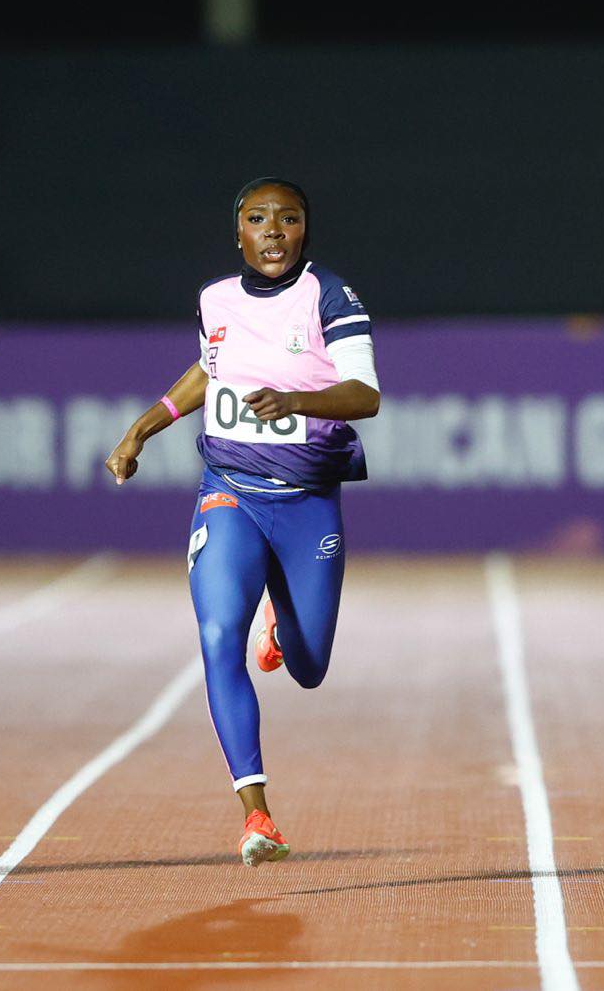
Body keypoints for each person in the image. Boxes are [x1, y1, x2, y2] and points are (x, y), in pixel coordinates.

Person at [105, 178, 380, 865]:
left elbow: (366, 394)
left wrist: (292, 396)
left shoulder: (330, 296)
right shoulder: (215, 301)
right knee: (218, 632)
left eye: (289, 219)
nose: (274, 230)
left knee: (311, 666)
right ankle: (257, 815)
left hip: (307, 498)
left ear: (305, 232)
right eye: (258, 219)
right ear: (238, 234)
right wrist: (142, 428)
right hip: (227, 488)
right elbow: (207, 369)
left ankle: (283, 626)